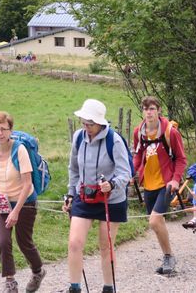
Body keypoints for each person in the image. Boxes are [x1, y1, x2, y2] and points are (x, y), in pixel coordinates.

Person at [0, 111, 46, 293]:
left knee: (24, 243)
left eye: (3, 129)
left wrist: (16, 211)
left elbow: (27, 183)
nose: (0, 133)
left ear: (10, 130)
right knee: (3, 242)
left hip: (25, 203)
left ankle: (38, 271)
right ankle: (10, 283)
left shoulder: (19, 150)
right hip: (2, 204)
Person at [62, 99, 132, 293]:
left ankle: (109, 288)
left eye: (90, 123)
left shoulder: (114, 140)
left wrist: (112, 184)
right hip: (84, 197)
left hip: (111, 200)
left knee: (105, 246)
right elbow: (74, 169)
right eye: (84, 122)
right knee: (75, 242)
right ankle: (75, 287)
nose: (86, 127)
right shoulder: (78, 138)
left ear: (100, 122)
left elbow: (125, 173)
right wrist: (70, 193)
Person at [133, 96, 187, 275]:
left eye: (152, 109)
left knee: (155, 220)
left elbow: (180, 159)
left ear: (158, 110)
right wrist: (132, 172)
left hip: (167, 183)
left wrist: (175, 179)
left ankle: (169, 257)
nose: (149, 112)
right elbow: (138, 154)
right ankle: (167, 257)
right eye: (146, 109)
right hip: (148, 183)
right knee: (158, 222)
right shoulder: (138, 132)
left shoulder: (170, 132)